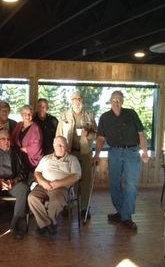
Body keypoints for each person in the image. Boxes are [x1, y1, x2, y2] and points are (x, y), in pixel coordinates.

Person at [93, 90, 149, 230]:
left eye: (119, 100)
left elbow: (141, 134)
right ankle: (121, 212)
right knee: (114, 185)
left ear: (122, 101)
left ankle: (126, 217)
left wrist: (145, 153)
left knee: (131, 185)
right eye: (114, 100)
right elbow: (100, 138)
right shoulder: (105, 117)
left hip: (131, 152)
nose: (116, 102)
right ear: (110, 102)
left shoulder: (131, 114)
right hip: (114, 153)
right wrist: (97, 154)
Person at [28, 136, 81, 238]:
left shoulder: (72, 159)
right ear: (53, 146)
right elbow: (37, 172)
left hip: (61, 188)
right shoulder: (46, 158)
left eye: (62, 145)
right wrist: (42, 182)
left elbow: (76, 176)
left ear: (66, 146)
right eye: (58, 145)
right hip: (43, 186)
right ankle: (49, 225)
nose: (60, 147)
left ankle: (44, 225)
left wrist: (59, 183)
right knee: (32, 198)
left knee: (56, 202)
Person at [0, 129, 29, 240]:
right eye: (3, 139)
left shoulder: (16, 153)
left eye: (8, 139)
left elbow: (24, 172)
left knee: (24, 188)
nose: (6, 141)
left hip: (12, 182)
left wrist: (13, 181)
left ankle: (15, 223)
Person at [56, 91, 97, 219]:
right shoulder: (64, 115)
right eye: (75, 98)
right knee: (68, 180)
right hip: (69, 152)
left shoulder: (89, 115)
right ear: (71, 100)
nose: (77, 101)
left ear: (82, 101)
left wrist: (87, 134)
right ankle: (67, 206)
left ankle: (84, 208)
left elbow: (95, 134)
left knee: (86, 181)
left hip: (85, 152)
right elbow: (58, 134)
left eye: (79, 99)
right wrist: (59, 151)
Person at [11, 105, 43, 173]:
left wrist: (23, 149)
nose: (27, 116)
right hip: (18, 157)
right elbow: (12, 138)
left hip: (30, 159)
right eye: (25, 114)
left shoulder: (36, 128)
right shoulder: (18, 125)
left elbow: (37, 146)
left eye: (29, 114)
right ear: (21, 115)